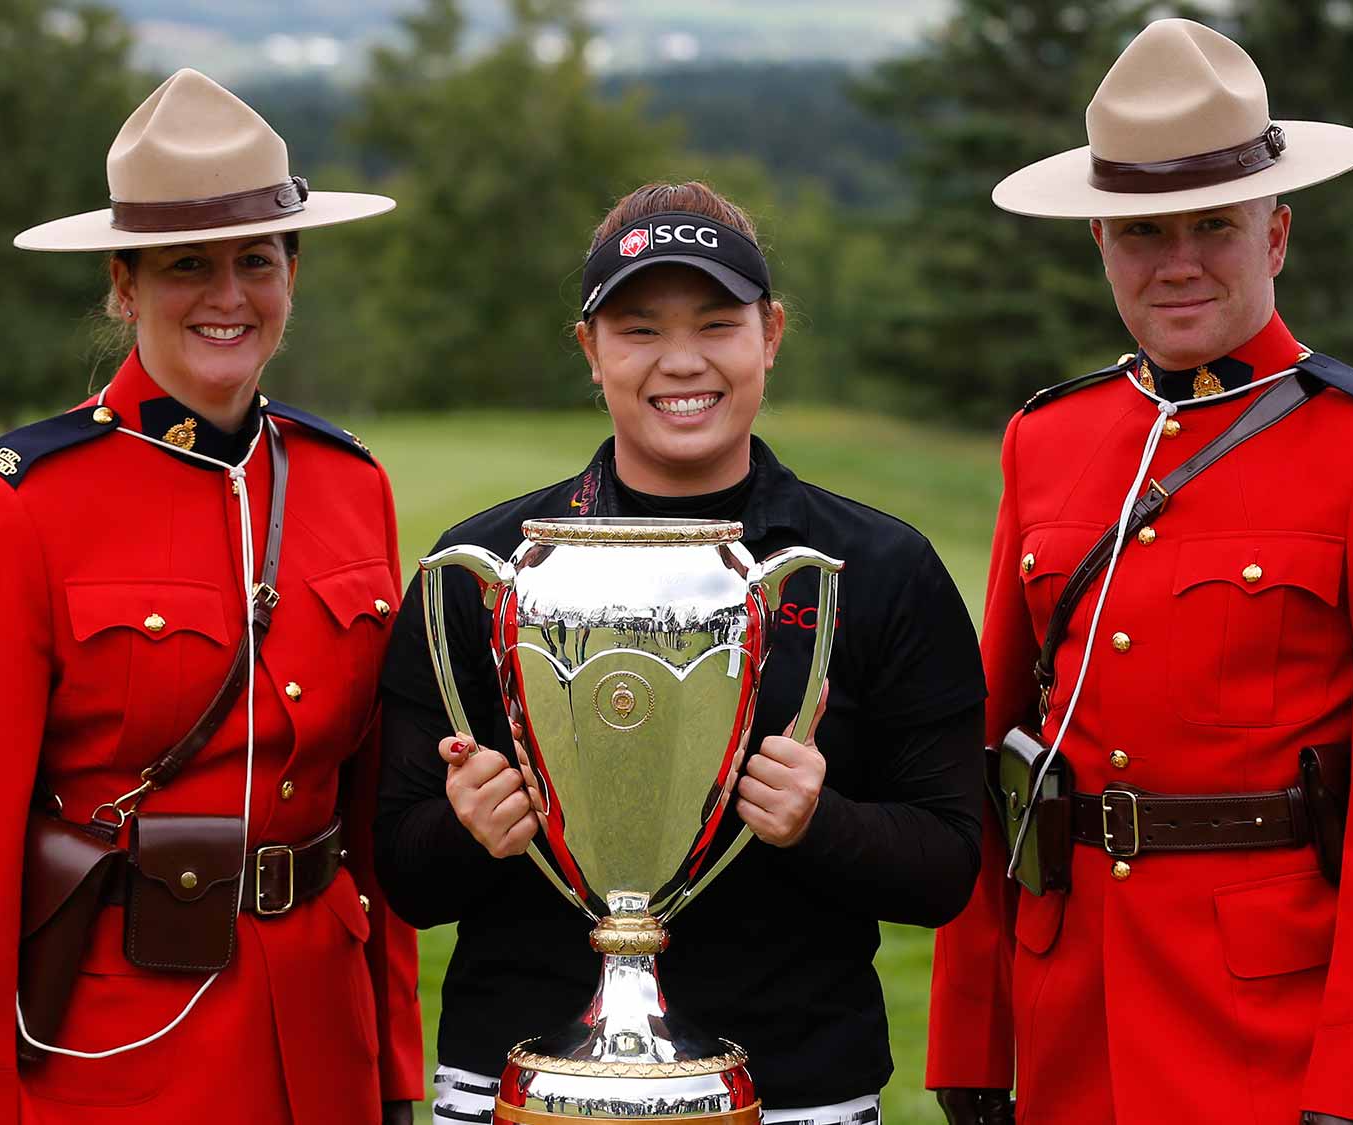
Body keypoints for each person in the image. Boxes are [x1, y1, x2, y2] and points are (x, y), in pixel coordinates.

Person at [925, 20, 1353, 1125]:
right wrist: (973, 1033)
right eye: (1145, 231)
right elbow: (991, 757)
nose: (1180, 261)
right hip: (1070, 1017)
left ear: (1277, 234)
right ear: (1100, 239)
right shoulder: (1046, 441)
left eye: (1215, 225)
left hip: (1273, 1030)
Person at [0, 69, 422, 1123]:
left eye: (256, 260)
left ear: (291, 273)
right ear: (122, 284)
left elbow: (369, 828)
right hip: (119, 1055)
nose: (227, 296)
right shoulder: (13, 505)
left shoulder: (351, 487)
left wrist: (392, 1065)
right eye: (183, 267)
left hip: (322, 1044)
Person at [373, 182, 987, 1123]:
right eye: (639, 329)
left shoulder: (875, 569)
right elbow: (405, 878)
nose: (682, 361)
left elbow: (947, 865)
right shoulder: (485, 569)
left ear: (770, 334)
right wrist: (470, 829)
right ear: (590, 350)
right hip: (525, 1083)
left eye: (716, 323)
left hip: (798, 1086)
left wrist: (819, 820)